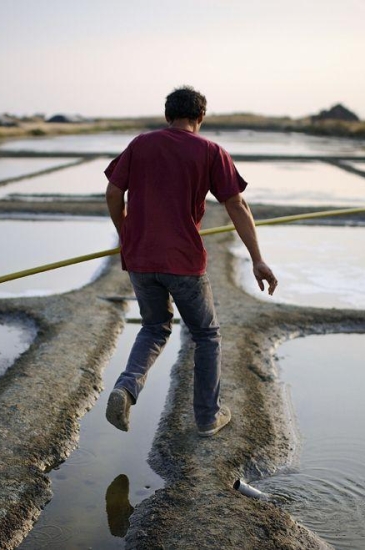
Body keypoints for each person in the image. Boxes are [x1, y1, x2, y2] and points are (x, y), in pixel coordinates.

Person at [104, 86, 277, 437]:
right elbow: (236, 204)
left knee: (154, 327)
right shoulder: (210, 151)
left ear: (168, 115)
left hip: (140, 259)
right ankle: (208, 417)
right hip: (182, 259)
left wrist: (126, 233)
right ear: (201, 117)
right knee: (206, 335)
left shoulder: (140, 144)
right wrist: (257, 259)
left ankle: (126, 387)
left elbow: (113, 192)